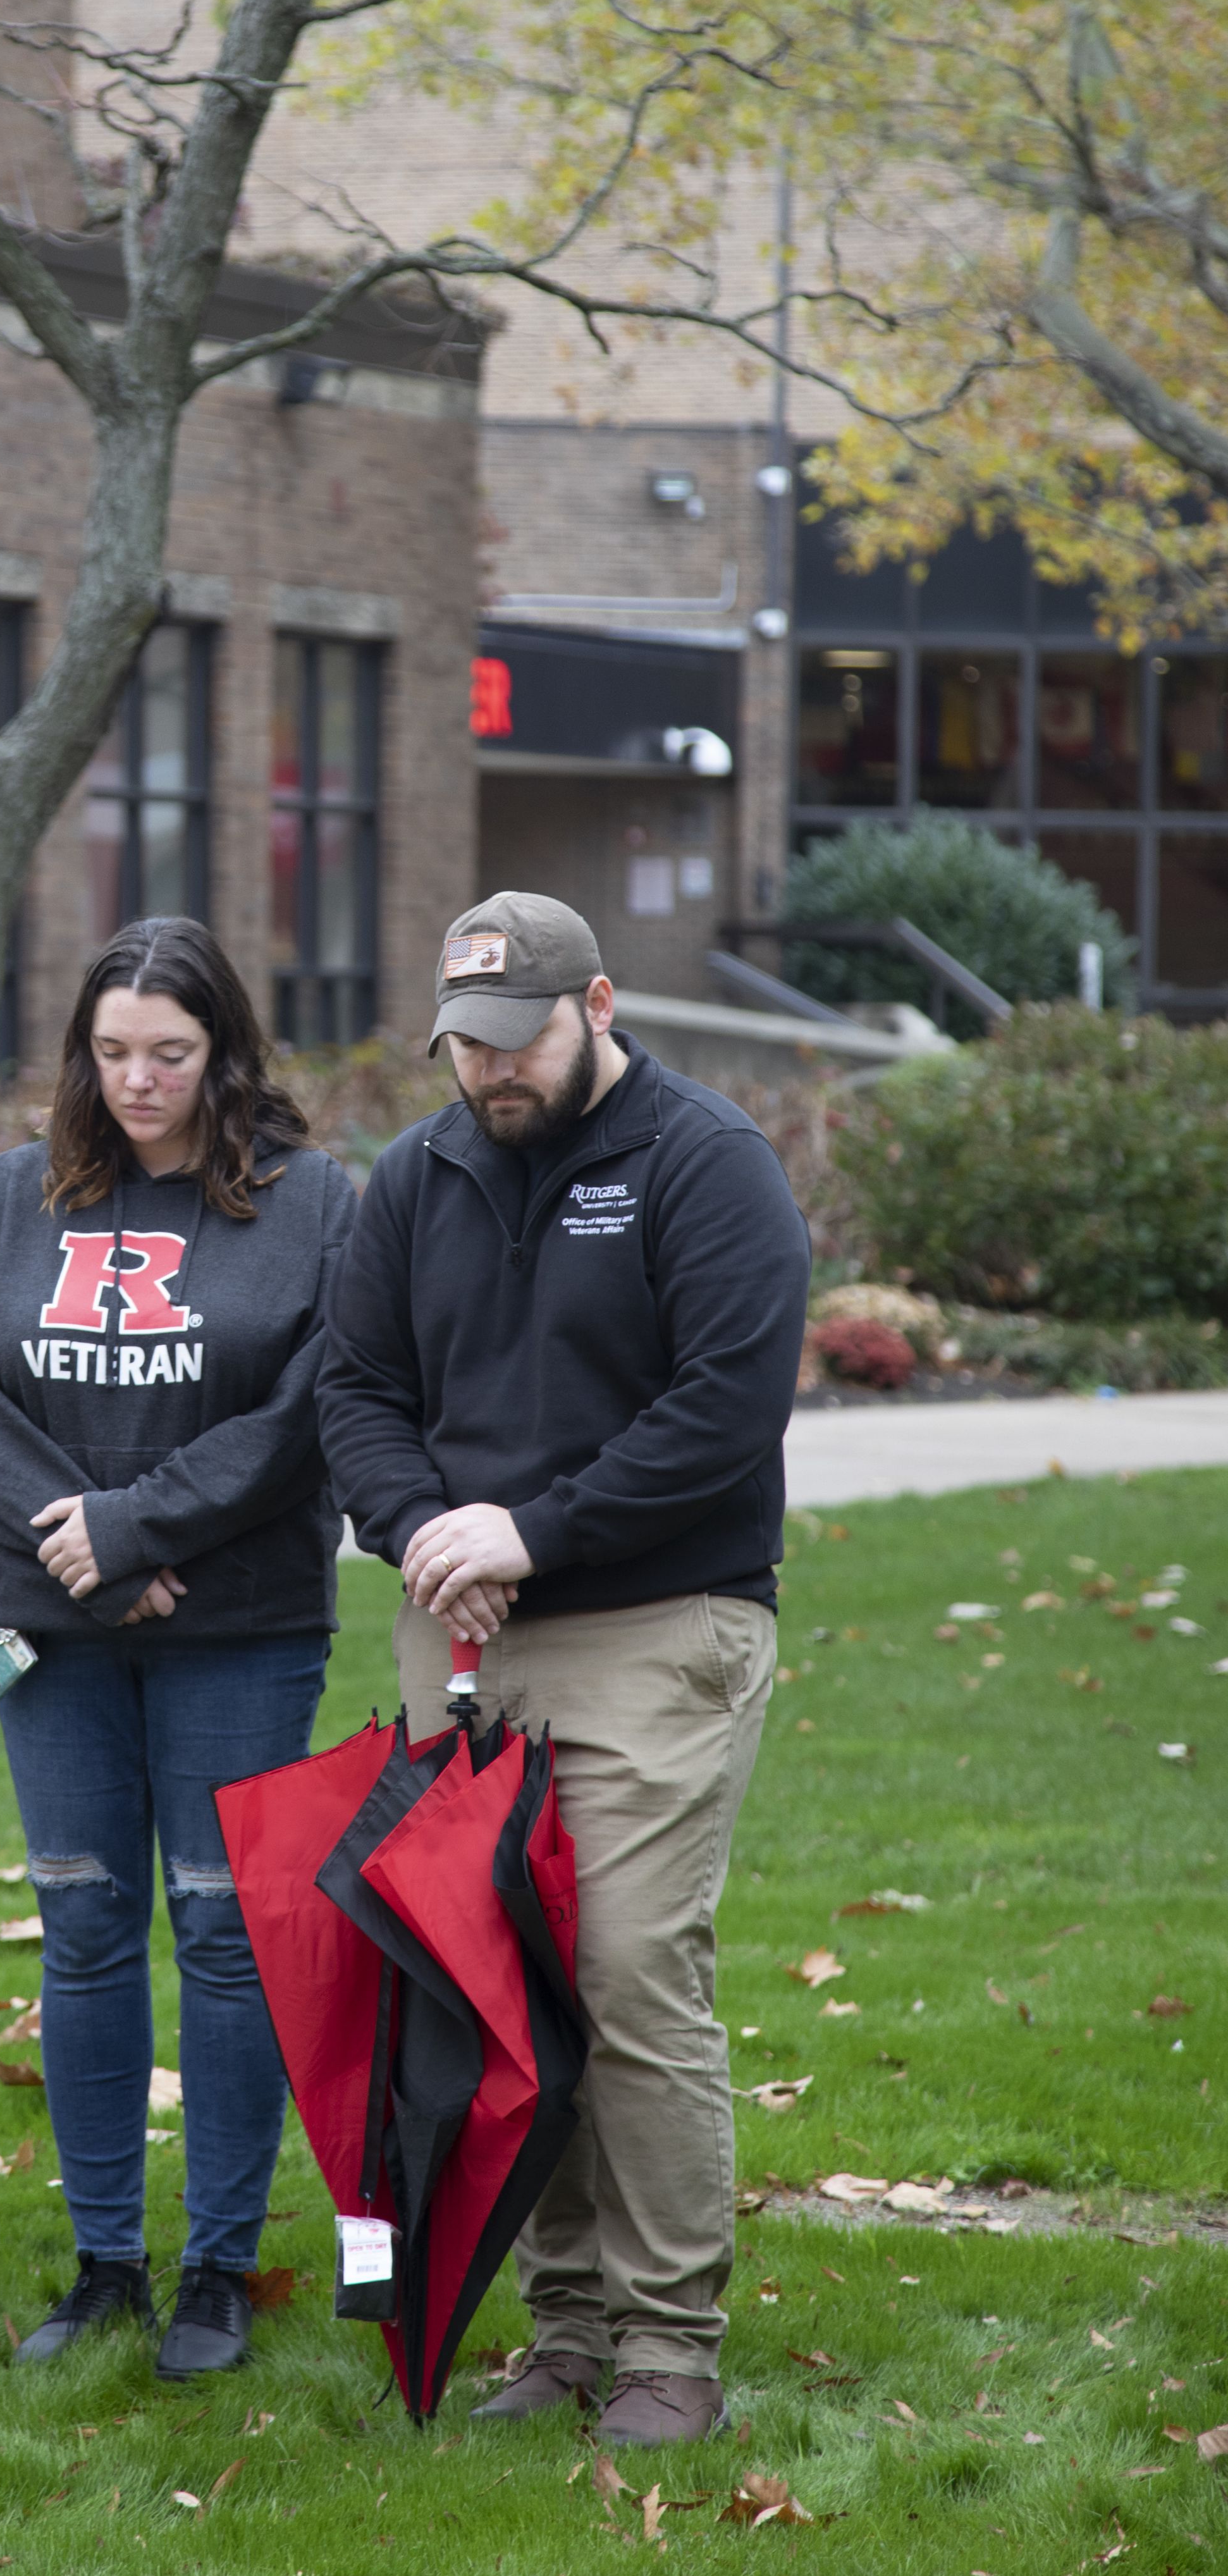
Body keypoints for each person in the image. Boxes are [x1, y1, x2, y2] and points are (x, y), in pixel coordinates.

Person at [317, 891, 810, 2451]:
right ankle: (567, 2327)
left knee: (626, 1969)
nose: (488, 1075)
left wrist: (533, 1527)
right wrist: (414, 1527)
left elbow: (725, 1407)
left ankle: (673, 2343)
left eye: (515, 1040)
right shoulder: (421, 1173)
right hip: (461, 1629)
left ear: (596, 1004)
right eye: (462, 1046)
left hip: (662, 1623)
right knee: (500, 1983)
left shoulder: (705, 1164)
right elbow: (358, 1385)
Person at [0, 916, 357, 2381]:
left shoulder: (306, 1207)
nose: (139, 1082)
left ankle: (217, 2272)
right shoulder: (15, 1193)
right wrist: (93, 1556)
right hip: (60, 1642)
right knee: (88, 1926)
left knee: (225, 1931)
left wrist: (144, 1531)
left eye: (169, 1054)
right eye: (112, 1054)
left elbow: (305, 1415)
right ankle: (104, 2260)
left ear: (225, 1049)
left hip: (240, 1634)